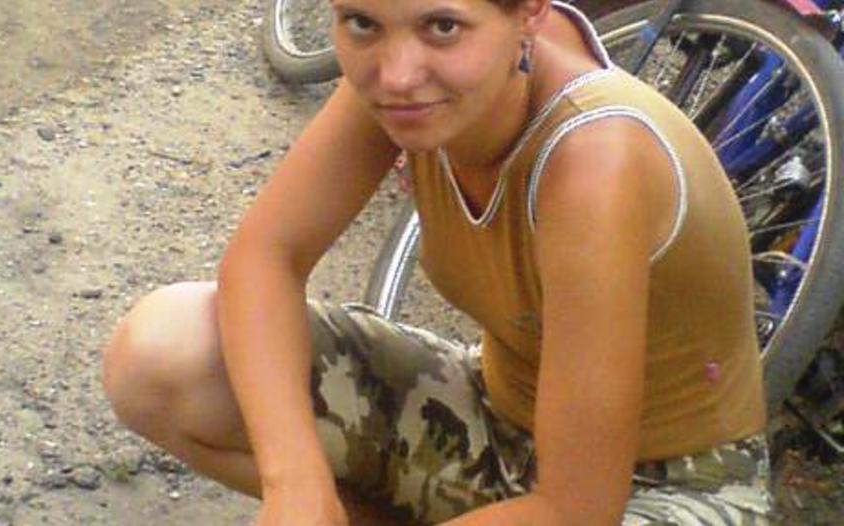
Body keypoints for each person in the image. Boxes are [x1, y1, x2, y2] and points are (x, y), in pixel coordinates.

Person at [102, 1, 774, 524]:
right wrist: (294, 483)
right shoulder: (403, 85)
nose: (397, 74)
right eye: (361, 23)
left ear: (529, 13)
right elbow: (264, 260)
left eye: (443, 27)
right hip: (492, 414)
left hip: (661, 485)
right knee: (162, 350)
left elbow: (576, 510)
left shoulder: (594, 163)